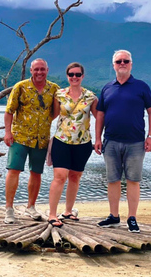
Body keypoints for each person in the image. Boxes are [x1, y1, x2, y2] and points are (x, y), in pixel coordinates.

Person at [94, 50, 151, 233]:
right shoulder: (107, 88)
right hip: (111, 141)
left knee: (133, 180)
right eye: (118, 61)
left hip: (135, 142)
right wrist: (97, 138)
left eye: (125, 61)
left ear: (131, 64)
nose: (122, 63)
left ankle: (132, 218)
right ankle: (114, 216)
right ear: (113, 65)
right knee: (112, 180)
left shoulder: (141, 86)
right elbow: (100, 114)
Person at [3, 58, 60, 224]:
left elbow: (55, 112)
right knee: (14, 170)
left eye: (42, 69)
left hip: (41, 139)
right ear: (31, 70)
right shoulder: (20, 87)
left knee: (36, 172)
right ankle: (8, 209)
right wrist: (8, 132)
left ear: (47, 70)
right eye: (36, 69)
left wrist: (45, 122)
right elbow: (9, 111)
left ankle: (31, 206)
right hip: (20, 137)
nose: (39, 72)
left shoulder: (54, 89)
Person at [47, 62, 98, 227]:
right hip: (62, 141)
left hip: (83, 143)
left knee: (75, 177)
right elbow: (53, 116)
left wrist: (100, 138)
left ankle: (68, 211)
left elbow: (100, 118)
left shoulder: (91, 97)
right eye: (71, 74)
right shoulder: (59, 95)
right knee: (60, 177)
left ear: (83, 76)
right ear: (67, 76)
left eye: (77, 74)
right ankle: (52, 214)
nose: (74, 77)